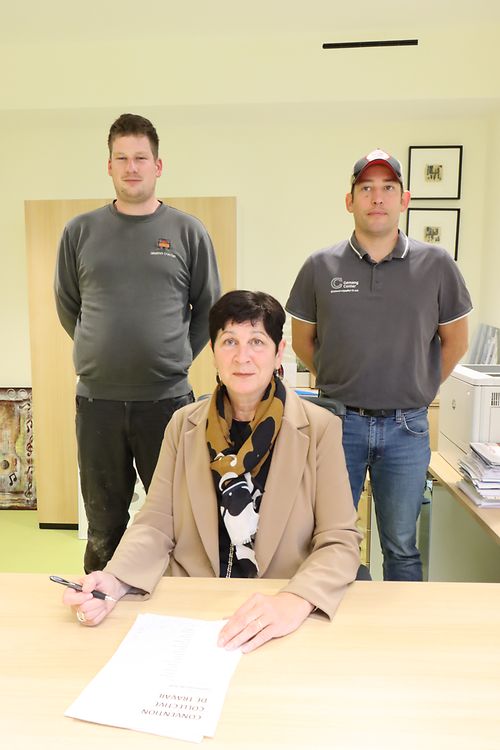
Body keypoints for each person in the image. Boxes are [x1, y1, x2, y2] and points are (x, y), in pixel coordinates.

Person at [61, 290, 362, 653]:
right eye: (229, 341)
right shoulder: (183, 425)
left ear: (278, 352)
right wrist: (116, 578)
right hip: (194, 605)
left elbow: (339, 540)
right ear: (214, 351)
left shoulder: (319, 429)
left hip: (276, 606)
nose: (242, 357)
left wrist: (294, 601)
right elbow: (156, 523)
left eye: (257, 342)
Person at [286, 149, 472, 581]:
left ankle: (398, 624)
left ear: (404, 200)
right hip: (338, 425)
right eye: (366, 188)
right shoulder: (320, 266)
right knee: (330, 539)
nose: (377, 197)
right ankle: (339, 616)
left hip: (407, 428)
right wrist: (340, 379)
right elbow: (301, 341)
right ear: (349, 201)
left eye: (388, 188)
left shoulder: (437, 264)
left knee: (401, 547)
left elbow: (456, 341)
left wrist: (420, 386)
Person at [54, 113, 221, 573]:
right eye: (122, 158)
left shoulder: (187, 232)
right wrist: (98, 349)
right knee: (104, 525)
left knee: (180, 521)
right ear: (108, 166)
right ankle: (101, 601)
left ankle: (176, 605)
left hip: (167, 402)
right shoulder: (80, 232)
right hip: (98, 403)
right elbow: (68, 305)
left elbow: (209, 309)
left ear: (158, 166)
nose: (132, 167)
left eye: (141, 158)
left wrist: (175, 356)